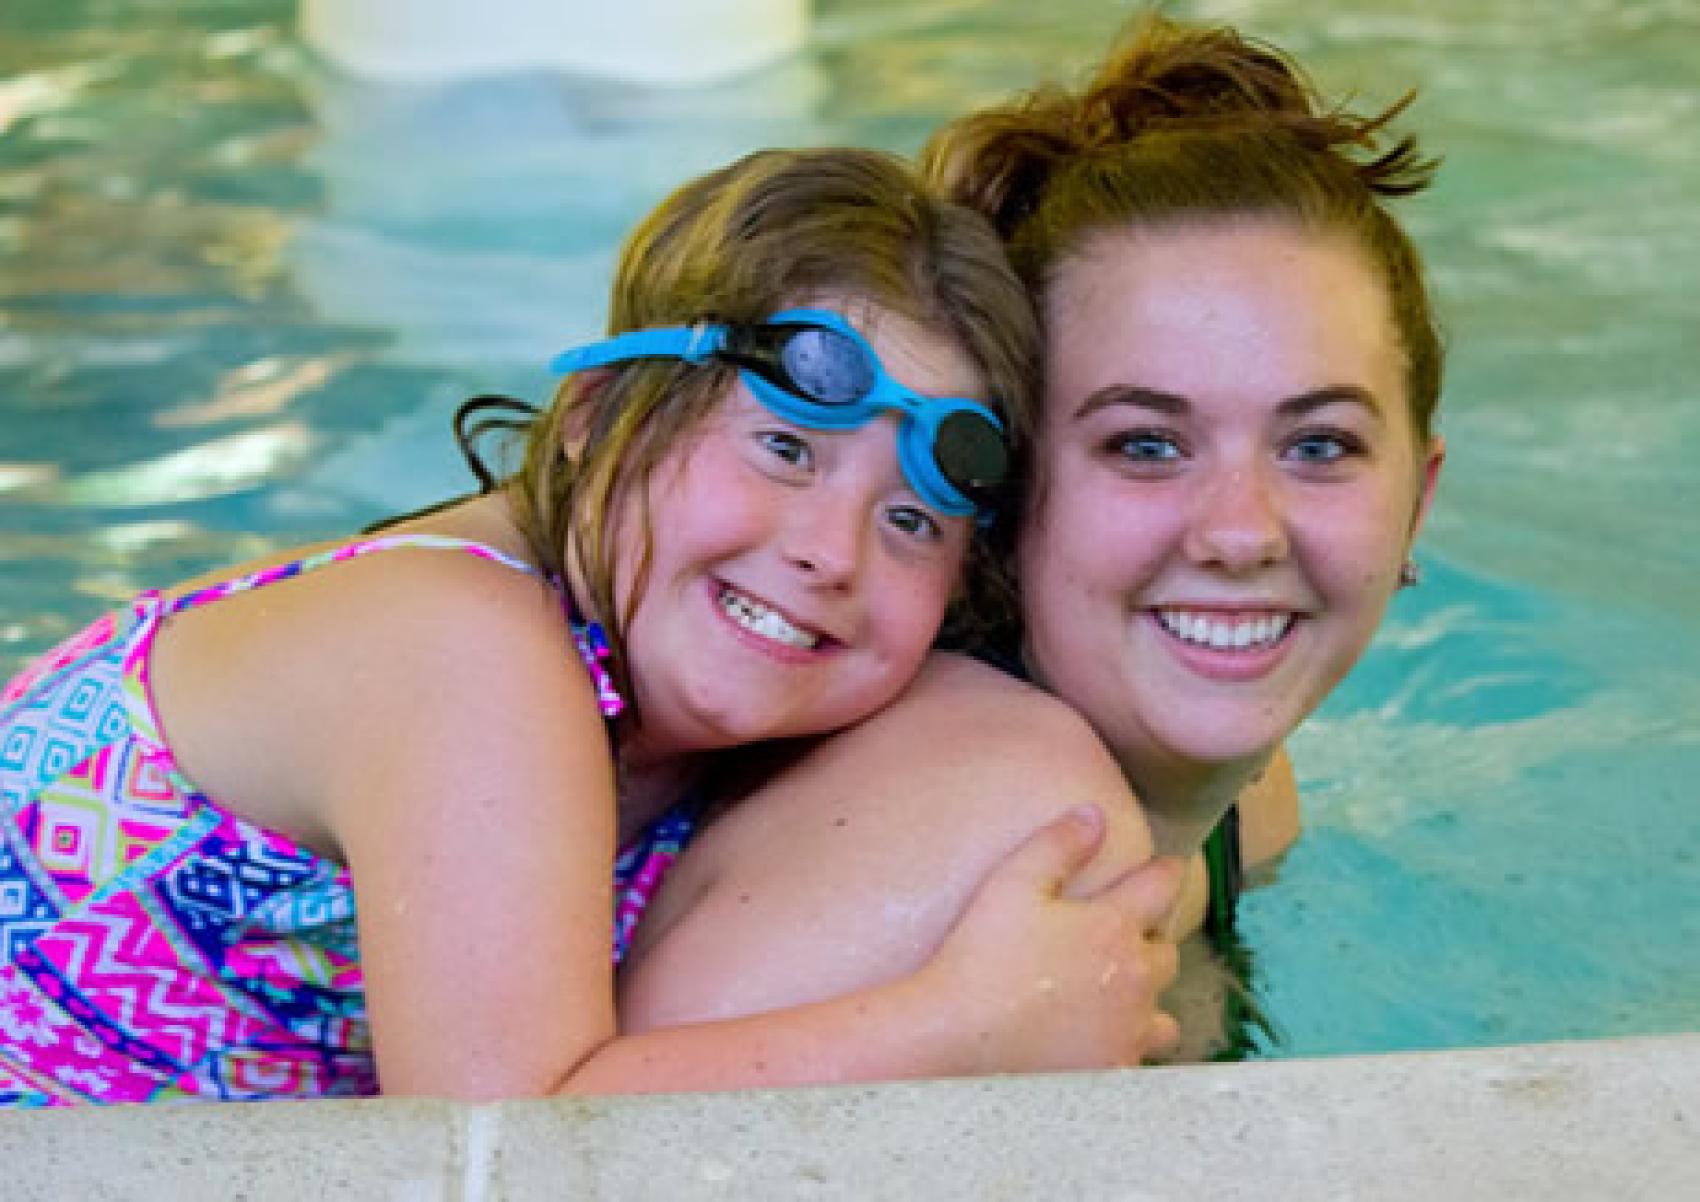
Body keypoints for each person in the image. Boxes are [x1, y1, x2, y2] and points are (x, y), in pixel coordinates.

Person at [0, 147, 1182, 1105]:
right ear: (596, 413)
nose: (833, 551)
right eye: (782, 447)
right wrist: (962, 1026)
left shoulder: (666, 685)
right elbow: (497, 1142)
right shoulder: (458, 646)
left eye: (913, 519)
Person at [617, 13, 1447, 1062]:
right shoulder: (997, 811)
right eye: (1144, 444)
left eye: (1318, 445)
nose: (1240, 531)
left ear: (1415, 499)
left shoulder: (1243, 792)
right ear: (1000, 494)